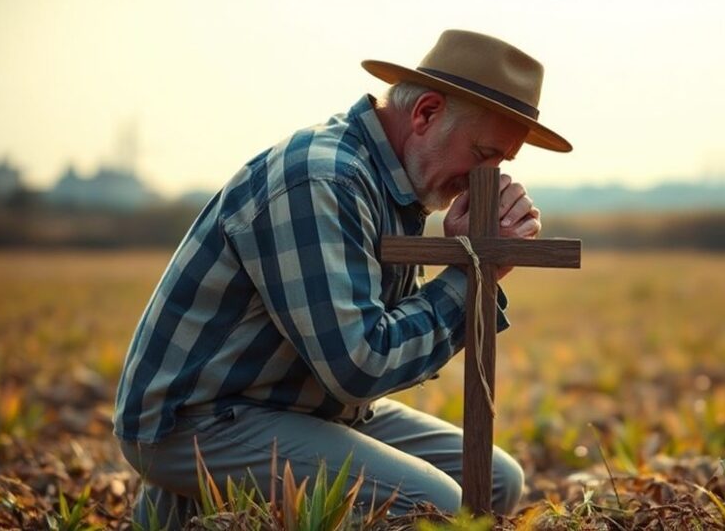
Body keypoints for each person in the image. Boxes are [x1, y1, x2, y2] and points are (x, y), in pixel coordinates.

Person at [113, 29, 572, 527]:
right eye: (485, 155)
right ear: (426, 113)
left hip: (298, 406)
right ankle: (182, 498)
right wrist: (468, 276)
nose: (491, 178)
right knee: (437, 505)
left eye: (503, 162)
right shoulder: (322, 179)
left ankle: (181, 510)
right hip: (194, 422)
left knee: (496, 480)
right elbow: (359, 365)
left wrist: (466, 258)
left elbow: (367, 328)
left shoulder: (391, 183)